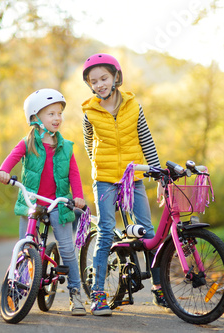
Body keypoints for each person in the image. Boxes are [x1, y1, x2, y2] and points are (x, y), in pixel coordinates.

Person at [81, 53, 168, 316]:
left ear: (116, 77)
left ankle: (159, 287)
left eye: (104, 78)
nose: (99, 84)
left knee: (149, 234)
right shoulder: (89, 112)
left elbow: (146, 140)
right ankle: (98, 294)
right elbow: (88, 144)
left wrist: (158, 174)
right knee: (106, 230)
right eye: (93, 81)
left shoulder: (134, 105)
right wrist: (101, 168)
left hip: (133, 178)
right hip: (105, 179)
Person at [0, 88, 87, 316]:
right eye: (51, 114)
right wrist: (4, 172)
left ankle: (76, 294)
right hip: (33, 202)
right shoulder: (28, 143)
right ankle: (18, 288)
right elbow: (12, 158)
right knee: (25, 246)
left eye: (59, 114)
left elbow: (74, 173)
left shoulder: (66, 147)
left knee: (67, 248)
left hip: (58, 202)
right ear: (36, 118)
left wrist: (78, 197)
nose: (57, 118)